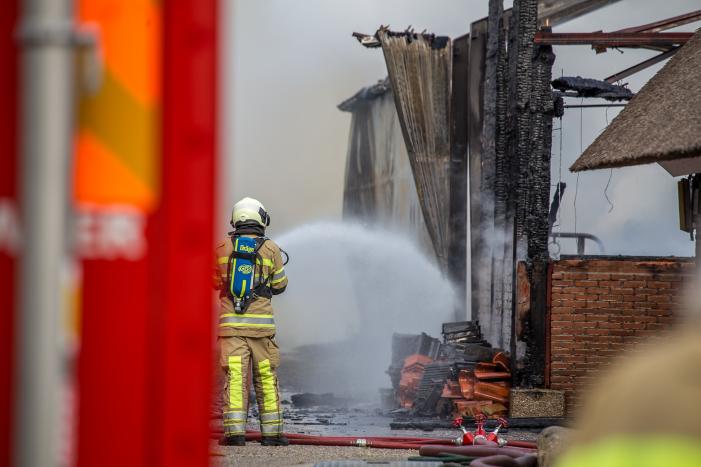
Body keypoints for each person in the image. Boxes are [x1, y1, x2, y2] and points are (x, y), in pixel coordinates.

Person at [214, 197, 289, 446]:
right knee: (266, 377)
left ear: (235, 218)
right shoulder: (271, 249)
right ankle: (272, 435)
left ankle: (235, 433)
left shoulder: (222, 247)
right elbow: (280, 285)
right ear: (261, 219)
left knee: (235, 378)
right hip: (262, 331)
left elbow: (213, 282)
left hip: (232, 329)